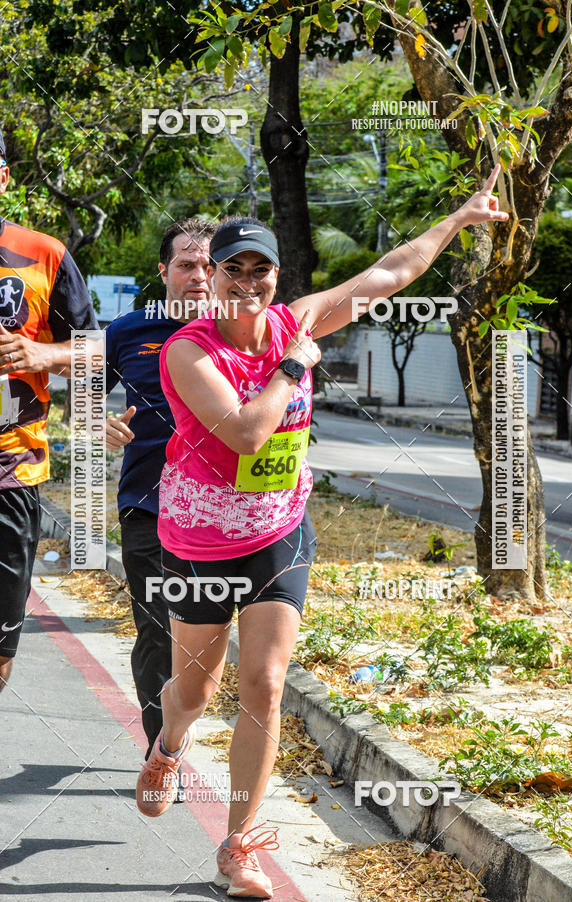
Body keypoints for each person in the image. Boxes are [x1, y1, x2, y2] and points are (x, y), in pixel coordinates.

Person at [136, 165, 509, 898]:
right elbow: (246, 433)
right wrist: (294, 364)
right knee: (192, 691)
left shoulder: (295, 318)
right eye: (233, 268)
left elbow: (389, 273)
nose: (248, 282)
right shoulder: (190, 351)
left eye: (261, 269)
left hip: (278, 530)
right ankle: (168, 746)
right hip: (202, 541)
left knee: (265, 685)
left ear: (277, 276)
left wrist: (459, 220)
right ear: (209, 277)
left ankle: (238, 845)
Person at [104, 218, 216, 761]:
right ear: (163, 271)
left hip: (228, 515)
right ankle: (160, 752)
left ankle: (184, 721)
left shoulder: (245, 330)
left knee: (203, 643)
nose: (199, 275)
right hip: (147, 504)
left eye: (209, 265)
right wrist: (97, 425)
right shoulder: (128, 331)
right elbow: (83, 398)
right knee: (155, 631)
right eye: (187, 264)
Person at [0, 125, 98, 689]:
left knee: (0, 648)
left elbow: (94, 352)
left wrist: (39, 350)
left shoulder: (44, 254)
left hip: (11, 476)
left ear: (5, 177)